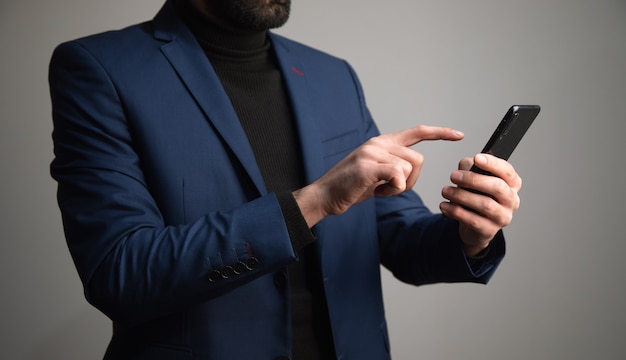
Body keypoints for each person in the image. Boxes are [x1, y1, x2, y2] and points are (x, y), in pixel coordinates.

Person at [48, 0, 521, 359]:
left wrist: (469, 233)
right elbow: (121, 274)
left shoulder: (332, 76)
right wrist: (314, 202)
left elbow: (398, 237)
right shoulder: (100, 68)